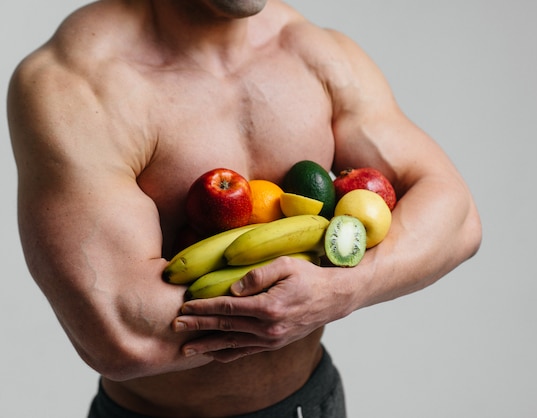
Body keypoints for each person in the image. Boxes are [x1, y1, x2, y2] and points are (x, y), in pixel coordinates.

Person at [8, 0, 482, 417]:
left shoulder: (313, 52)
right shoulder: (76, 83)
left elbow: (456, 217)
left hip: (313, 401)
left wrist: (345, 286)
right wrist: (299, 292)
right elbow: (122, 331)